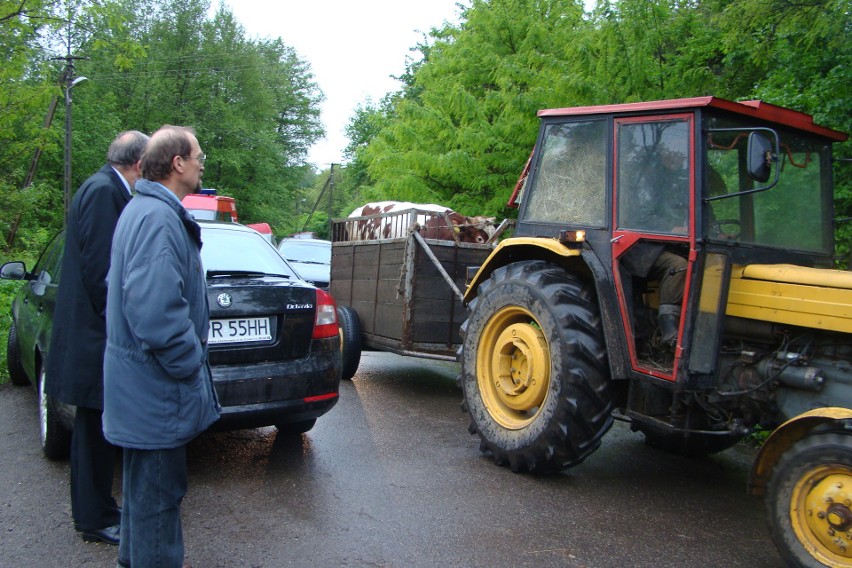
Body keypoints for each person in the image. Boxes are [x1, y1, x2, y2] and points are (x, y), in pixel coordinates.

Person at [103, 125, 220, 567]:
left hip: (144, 392)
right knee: (157, 508)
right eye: (198, 155)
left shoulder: (145, 210)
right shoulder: (156, 217)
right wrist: (191, 363)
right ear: (177, 163)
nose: (202, 162)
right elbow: (155, 313)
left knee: (142, 505)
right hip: (155, 394)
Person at [45, 130, 149, 545]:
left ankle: (102, 509)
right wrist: (123, 329)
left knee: (99, 433)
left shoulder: (105, 187)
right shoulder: (105, 191)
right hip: (93, 341)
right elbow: (101, 273)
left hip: (93, 338)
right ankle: (94, 519)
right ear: (139, 164)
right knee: (92, 435)